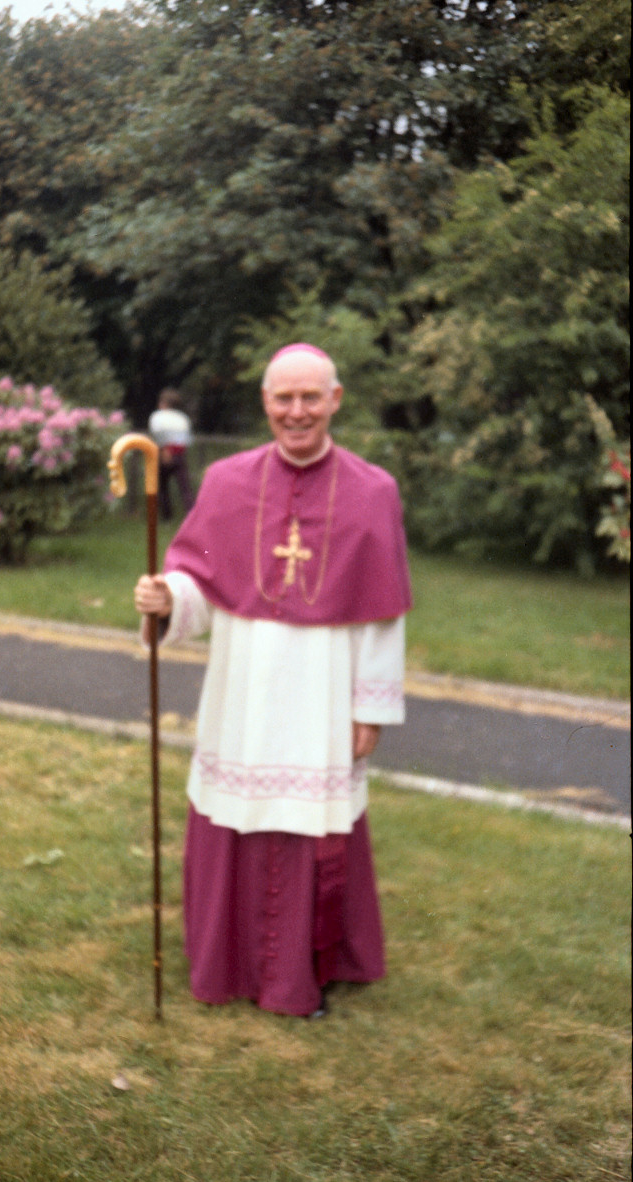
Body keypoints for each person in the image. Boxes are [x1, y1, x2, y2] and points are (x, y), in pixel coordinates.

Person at [134, 344, 412, 1018]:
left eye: (310, 397)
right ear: (265, 403)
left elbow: (382, 613)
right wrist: (166, 598)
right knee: (238, 809)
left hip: (324, 689)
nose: (297, 411)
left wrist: (370, 705)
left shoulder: (373, 491)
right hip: (244, 689)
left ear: (334, 400)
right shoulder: (226, 482)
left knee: (312, 820)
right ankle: (229, 963)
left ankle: (305, 972)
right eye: (283, 398)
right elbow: (199, 583)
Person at [147, 387, 195, 519]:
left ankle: (166, 515)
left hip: (163, 453)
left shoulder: (157, 416)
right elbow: (187, 439)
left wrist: (164, 450)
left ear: (164, 403)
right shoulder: (183, 418)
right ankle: (191, 514)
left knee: (162, 486)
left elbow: (158, 435)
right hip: (180, 455)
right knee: (185, 487)